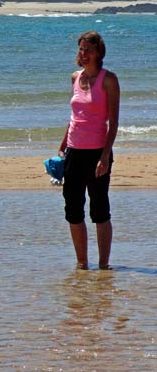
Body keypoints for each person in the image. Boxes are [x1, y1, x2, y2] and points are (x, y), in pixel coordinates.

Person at [58, 31, 120, 270]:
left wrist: (105, 156)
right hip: (74, 150)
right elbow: (75, 115)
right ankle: (82, 264)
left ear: (98, 53)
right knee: (73, 208)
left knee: (100, 209)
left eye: (88, 50)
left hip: (97, 152)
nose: (84, 54)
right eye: (81, 49)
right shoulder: (75, 77)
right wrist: (64, 144)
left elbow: (113, 122)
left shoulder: (109, 80)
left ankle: (104, 265)